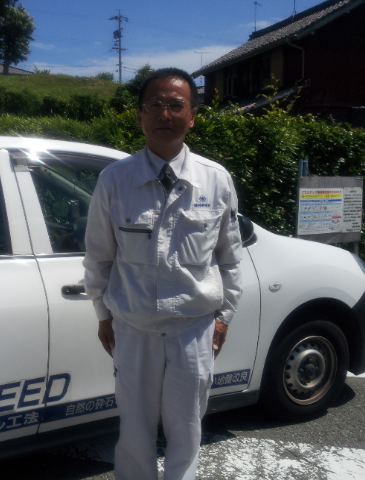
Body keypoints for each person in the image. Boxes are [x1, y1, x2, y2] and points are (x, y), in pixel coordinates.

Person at [83, 67, 243, 480]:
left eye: (176, 105)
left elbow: (230, 258)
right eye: (154, 105)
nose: (164, 114)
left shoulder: (216, 180)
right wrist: (103, 314)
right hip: (133, 327)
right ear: (139, 115)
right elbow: (98, 256)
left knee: (187, 428)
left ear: (192, 116)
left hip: (193, 328)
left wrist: (224, 316)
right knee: (134, 429)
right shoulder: (115, 180)